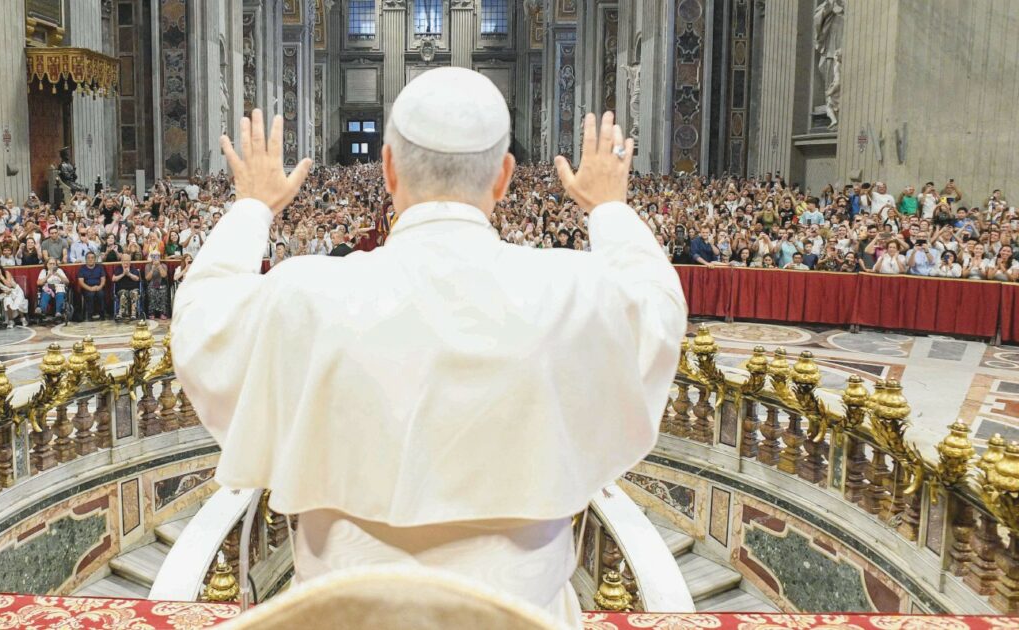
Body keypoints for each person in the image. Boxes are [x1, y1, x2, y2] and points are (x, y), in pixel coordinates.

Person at [172, 67, 685, 627]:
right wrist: (609, 208)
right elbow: (659, 311)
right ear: (504, 177)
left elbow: (202, 324)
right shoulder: (572, 291)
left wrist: (252, 206)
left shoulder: (305, 292)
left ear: (388, 169)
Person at [77, 252, 108, 320]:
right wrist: (90, 288)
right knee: (90, 294)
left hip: (98, 287)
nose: (90, 259)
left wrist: (100, 287)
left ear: (95, 259)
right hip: (87, 288)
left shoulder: (100, 267)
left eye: (92, 258)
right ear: (86, 259)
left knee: (101, 294)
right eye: (88, 258)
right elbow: (81, 282)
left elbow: (103, 279)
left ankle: (102, 314)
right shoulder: (82, 268)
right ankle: (90, 315)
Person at [113, 254, 142, 321]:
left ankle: (133, 314)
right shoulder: (118, 269)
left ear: (130, 261)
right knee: (123, 294)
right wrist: (123, 274)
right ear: (121, 261)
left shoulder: (133, 268)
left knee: (134, 293)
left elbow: (137, 279)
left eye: (127, 260)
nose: (126, 262)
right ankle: (121, 314)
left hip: (133, 289)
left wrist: (129, 274)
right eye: (124, 260)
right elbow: (114, 279)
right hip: (121, 289)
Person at [144, 251, 170, 319]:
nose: (155, 258)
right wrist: (152, 269)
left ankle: (163, 313)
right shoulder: (148, 266)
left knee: (163, 291)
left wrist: (159, 266)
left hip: (161, 284)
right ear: (151, 257)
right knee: (152, 291)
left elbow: (164, 275)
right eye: (153, 256)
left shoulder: (163, 265)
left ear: (159, 257)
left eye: (157, 256)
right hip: (152, 284)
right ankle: (151, 313)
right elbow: (147, 278)